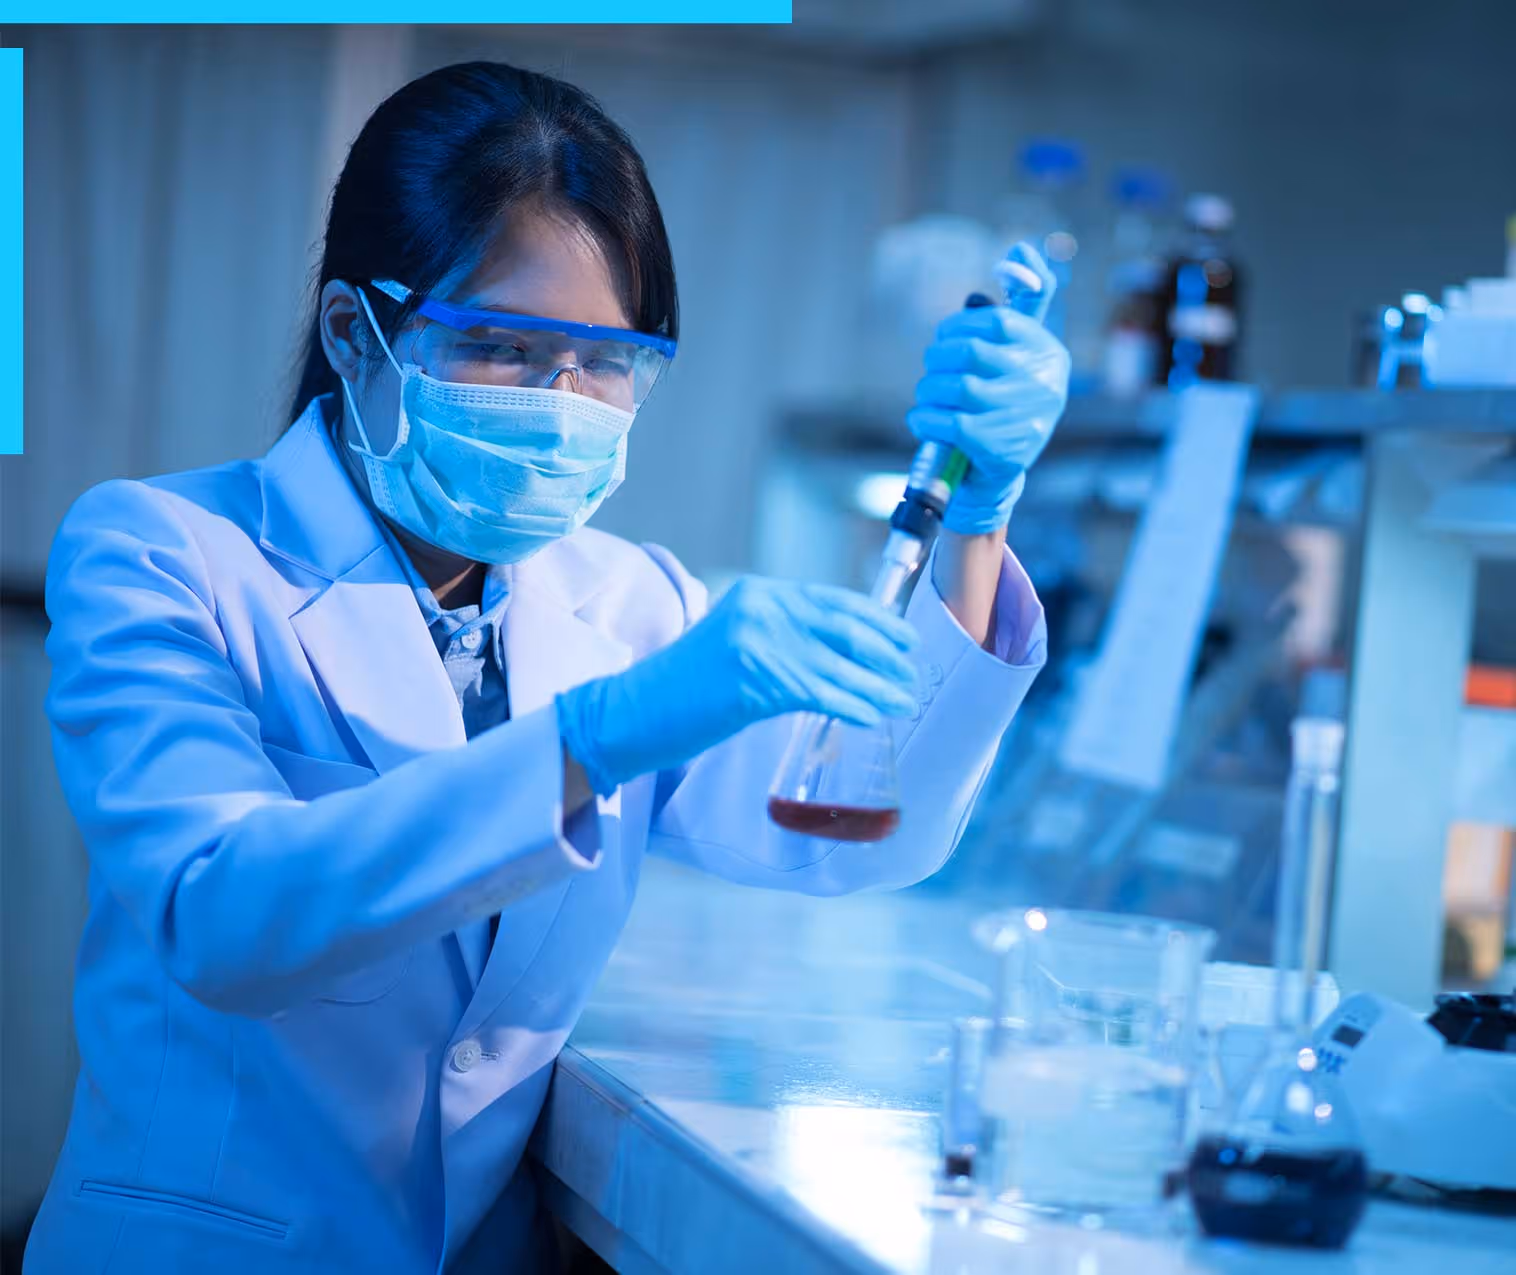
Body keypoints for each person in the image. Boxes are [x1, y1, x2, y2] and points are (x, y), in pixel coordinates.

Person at [25, 62, 1069, 1275]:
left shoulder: (626, 600)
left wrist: (978, 516)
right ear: (354, 332)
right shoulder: (163, 551)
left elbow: (857, 830)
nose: (562, 402)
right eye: (501, 347)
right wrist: (595, 737)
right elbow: (223, 919)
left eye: (607, 361)